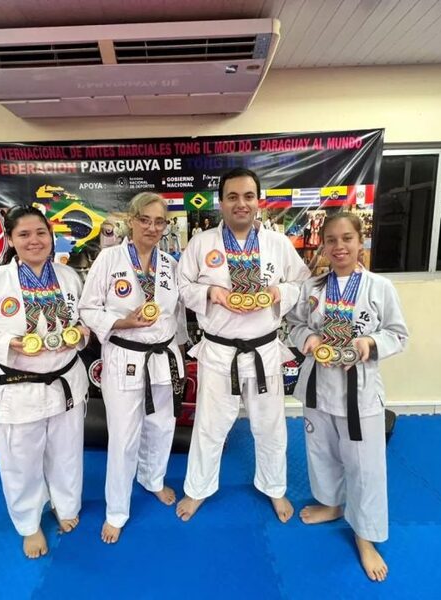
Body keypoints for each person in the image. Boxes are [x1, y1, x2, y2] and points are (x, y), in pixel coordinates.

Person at [0, 205, 90, 559]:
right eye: (24, 234)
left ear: (51, 236)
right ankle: (29, 524)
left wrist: (80, 334)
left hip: (65, 379)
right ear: (11, 240)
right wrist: (5, 343)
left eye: (41, 233)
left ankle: (65, 504)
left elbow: (85, 319)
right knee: (21, 460)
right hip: (19, 384)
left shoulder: (69, 276)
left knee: (67, 451)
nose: (34, 240)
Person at [175, 168, 310, 522]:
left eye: (248, 196)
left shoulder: (278, 244)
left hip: (264, 350)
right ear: (221, 202)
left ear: (258, 201)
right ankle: (198, 489)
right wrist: (210, 292)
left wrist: (280, 292)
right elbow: (182, 286)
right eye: (232, 196)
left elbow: (302, 282)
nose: (241, 204)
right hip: (219, 351)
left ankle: (274, 488)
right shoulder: (201, 243)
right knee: (209, 426)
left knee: (270, 425)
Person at [286, 212, 408, 582]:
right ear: (323, 245)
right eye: (332, 240)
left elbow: (398, 334)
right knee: (321, 453)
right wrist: (308, 339)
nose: (339, 247)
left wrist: (369, 342)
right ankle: (331, 504)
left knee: (365, 467)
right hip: (319, 386)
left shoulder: (379, 287)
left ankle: (365, 536)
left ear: (360, 241)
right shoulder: (312, 288)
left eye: (347, 239)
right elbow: (294, 326)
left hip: (359, 392)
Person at [79, 192, 189, 544]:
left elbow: (177, 316)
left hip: (163, 356)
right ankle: (116, 511)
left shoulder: (170, 264)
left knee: (161, 426)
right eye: (145, 220)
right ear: (132, 220)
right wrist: (123, 322)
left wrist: (181, 354)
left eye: (160, 222)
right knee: (124, 436)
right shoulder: (109, 258)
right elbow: (87, 308)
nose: (152, 228)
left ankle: (153, 479)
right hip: (124, 356)